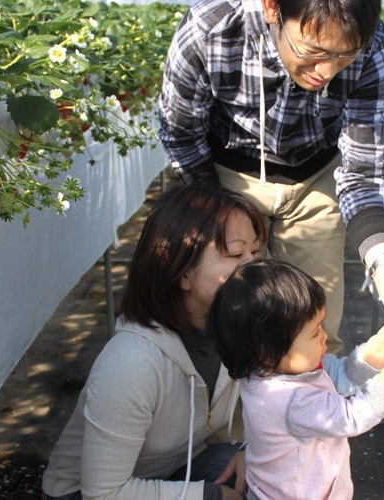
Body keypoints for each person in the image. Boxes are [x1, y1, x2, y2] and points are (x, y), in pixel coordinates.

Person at [158, 0, 384, 353]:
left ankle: (313, 404)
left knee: (313, 332)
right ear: (272, 8)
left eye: (343, 56)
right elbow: (180, 133)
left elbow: (364, 172)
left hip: (316, 178)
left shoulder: (373, 46)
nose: (327, 71)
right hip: (226, 173)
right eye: (314, 51)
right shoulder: (211, 29)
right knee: (228, 323)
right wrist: (218, 209)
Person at [41, 185, 267, 499]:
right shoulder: (132, 363)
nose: (255, 266)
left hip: (174, 469)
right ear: (182, 272)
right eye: (235, 254)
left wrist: (248, 451)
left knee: (270, 472)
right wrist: (210, 496)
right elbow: (103, 494)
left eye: (255, 251)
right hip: (91, 494)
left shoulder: (238, 326)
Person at [207, 259, 384, 499]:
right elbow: (352, 417)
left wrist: (377, 348)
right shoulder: (288, 400)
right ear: (270, 352)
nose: (324, 337)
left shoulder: (277, 371)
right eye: (314, 333)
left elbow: (342, 377)